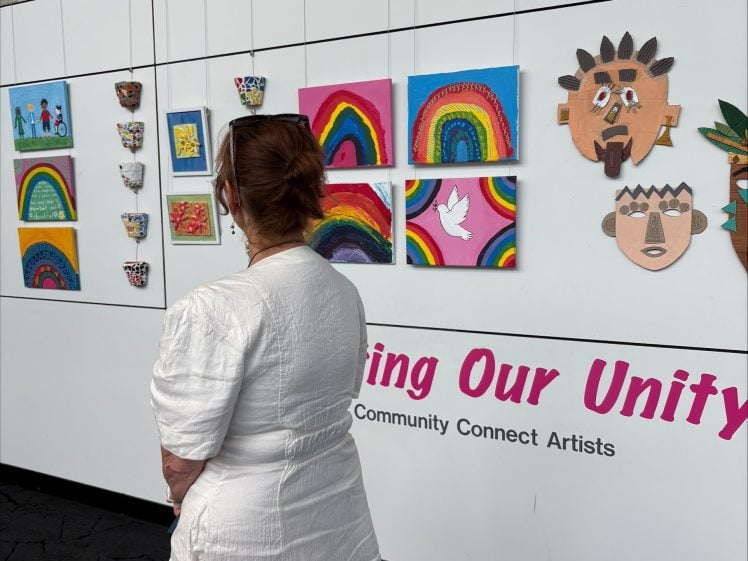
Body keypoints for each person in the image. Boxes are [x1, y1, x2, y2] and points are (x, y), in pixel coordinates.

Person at [151, 114, 381, 561]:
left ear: (230, 196)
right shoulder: (342, 291)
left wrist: (179, 497)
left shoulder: (212, 308)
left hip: (242, 531)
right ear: (313, 193)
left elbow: (181, 460)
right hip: (336, 510)